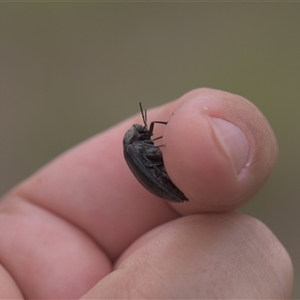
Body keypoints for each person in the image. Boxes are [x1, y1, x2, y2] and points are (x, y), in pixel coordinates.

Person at [0, 88, 293, 299]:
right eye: (146, 132)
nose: (149, 132)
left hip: (165, 183)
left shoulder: (136, 145)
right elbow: (153, 157)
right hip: (162, 182)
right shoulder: (136, 146)